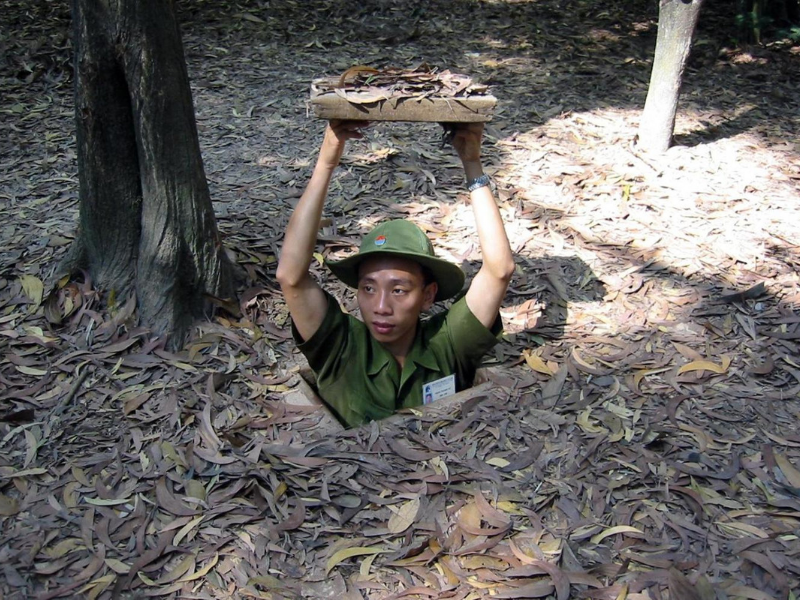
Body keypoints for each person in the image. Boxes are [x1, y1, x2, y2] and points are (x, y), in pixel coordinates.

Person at [276, 120, 514, 427]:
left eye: (399, 290)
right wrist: (325, 164)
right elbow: (290, 276)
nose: (381, 307)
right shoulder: (340, 346)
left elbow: (499, 270)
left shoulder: (448, 343)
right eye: (369, 288)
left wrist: (472, 165)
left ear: (427, 295)